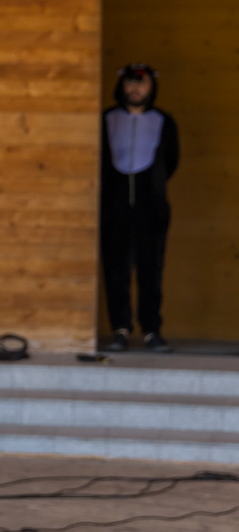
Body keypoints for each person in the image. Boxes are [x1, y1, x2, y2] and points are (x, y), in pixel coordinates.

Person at [100, 63, 179, 353]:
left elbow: (171, 160)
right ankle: (120, 329)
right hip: (114, 206)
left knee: (151, 269)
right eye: (130, 83)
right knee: (116, 269)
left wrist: (151, 187)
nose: (135, 89)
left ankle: (151, 330)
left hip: (151, 207)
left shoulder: (163, 121)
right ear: (122, 86)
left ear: (151, 87)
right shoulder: (107, 118)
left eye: (141, 83)